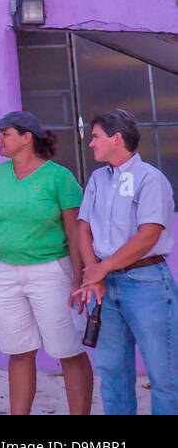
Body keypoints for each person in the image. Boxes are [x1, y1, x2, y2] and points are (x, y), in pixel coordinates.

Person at [0, 110, 92, 416]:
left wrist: (77, 277)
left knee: (68, 350)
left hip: (51, 271)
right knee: (18, 351)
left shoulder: (59, 177)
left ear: (27, 137)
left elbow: (74, 230)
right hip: (4, 271)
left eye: (5, 134)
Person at [73, 108, 178, 415]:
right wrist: (95, 274)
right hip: (106, 285)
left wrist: (98, 270)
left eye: (95, 137)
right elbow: (83, 227)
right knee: (112, 374)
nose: (90, 143)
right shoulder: (97, 179)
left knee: (164, 376)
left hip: (146, 283)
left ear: (116, 138)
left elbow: (149, 235)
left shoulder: (151, 179)